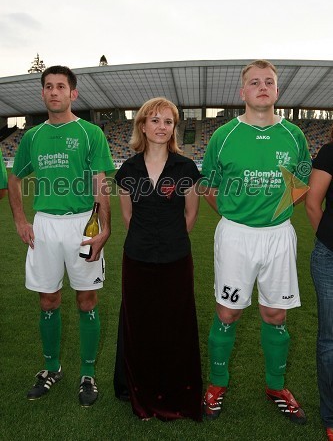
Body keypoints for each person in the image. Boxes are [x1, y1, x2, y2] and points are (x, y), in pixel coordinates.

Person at [200, 60, 311, 425]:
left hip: (278, 236)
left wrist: (273, 213)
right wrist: (235, 215)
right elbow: (209, 187)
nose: (262, 87)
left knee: (274, 314)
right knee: (228, 312)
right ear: (242, 92)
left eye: (269, 82)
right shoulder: (224, 135)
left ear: (277, 91)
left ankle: (275, 386)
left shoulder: (294, 136)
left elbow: (302, 182)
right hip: (235, 235)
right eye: (254, 82)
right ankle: (217, 383)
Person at [8, 65, 114, 407]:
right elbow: (15, 179)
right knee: (48, 300)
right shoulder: (32, 137)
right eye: (49, 87)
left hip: (83, 223)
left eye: (61, 87)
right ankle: (51, 368)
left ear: (73, 93)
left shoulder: (90, 133)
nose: (54, 92)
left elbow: (101, 183)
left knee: (87, 300)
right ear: (42, 94)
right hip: (45, 225)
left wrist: (103, 228)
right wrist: (21, 219)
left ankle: (87, 374)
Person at [114, 97, 202, 421]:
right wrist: (148, 244)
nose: (162, 127)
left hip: (176, 259)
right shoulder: (129, 169)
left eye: (168, 121)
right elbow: (128, 217)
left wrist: (170, 242)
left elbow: (190, 215)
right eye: (155, 120)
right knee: (141, 326)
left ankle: (176, 393)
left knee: (175, 325)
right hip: (137, 259)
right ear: (142, 125)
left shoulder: (186, 168)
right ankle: (141, 392)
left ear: (174, 128)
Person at [305, 133, 333, 441]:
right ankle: (331, 415)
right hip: (330, 258)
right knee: (331, 341)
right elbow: (312, 204)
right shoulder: (329, 152)